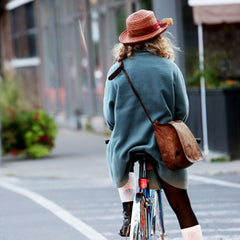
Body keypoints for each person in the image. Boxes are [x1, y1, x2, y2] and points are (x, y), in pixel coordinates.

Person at [103, 9, 203, 240]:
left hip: (126, 147)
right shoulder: (169, 68)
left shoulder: (116, 71)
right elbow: (182, 113)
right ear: (158, 38)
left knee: (118, 156)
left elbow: (110, 120)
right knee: (183, 209)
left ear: (129, 41)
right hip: (164, 148)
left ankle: (128, 213)